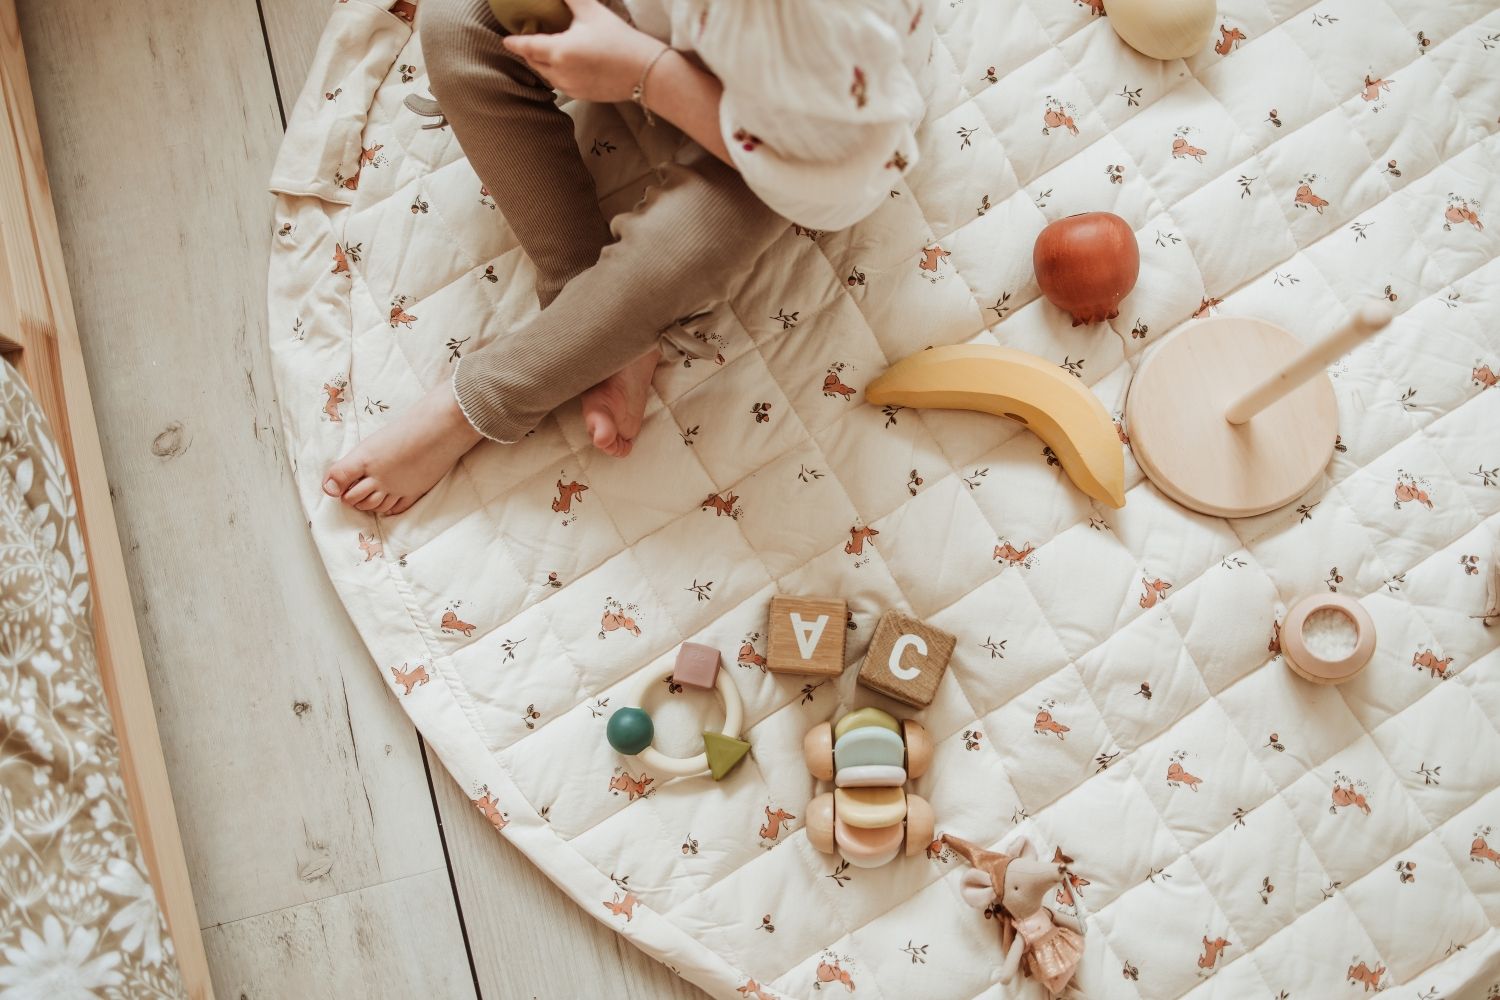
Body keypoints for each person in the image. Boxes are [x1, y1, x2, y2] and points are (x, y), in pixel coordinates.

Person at [323, 0, 934, 515]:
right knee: (457, 26)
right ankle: (595, 315)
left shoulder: (828, 35)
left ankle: (480, 400)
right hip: (653, 28)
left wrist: (647, 75)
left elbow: (842, 179)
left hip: (793, 141)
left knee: (686, 247)